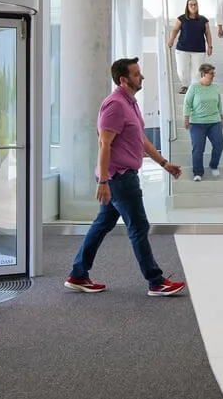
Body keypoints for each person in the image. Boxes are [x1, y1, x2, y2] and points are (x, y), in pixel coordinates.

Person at [65, 57, 187, 297]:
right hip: (119, 177)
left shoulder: (130, 103)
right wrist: (103, 181)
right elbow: (104, 143)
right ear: (123, 80)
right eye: (136, 74)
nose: (141, 77)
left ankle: (78, 274)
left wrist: (163, 163)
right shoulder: (115, 106)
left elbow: (140, 139)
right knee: (139, 226)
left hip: (121, 176)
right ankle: (156, 281)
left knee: (103, 224)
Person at [183, 62, 223, 181]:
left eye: (213, 73)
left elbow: (219, 103)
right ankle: (198, 172)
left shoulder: (215, 87)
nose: (213, 76)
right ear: (203, 74)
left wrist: (221, 118)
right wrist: (186, 118)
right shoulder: (194, 87)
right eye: (211, 73)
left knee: (219, 144)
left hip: (214, 122)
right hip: (197, 123)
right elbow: (187, 103)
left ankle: (213, 165)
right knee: (198, 148)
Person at [167, 0, 211, 96]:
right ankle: (184, 85)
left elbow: (208, 33)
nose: (193, 6)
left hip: (199, 49)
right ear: (187, 6)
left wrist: (210, 46)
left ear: (197, 6)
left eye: (195, 4)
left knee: (197, 70)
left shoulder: (203, 20)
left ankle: (193, 88)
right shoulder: (181, 18)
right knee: (181, 70)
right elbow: (175, 30)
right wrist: (171, 40)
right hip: (182, 49)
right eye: (191, 4)